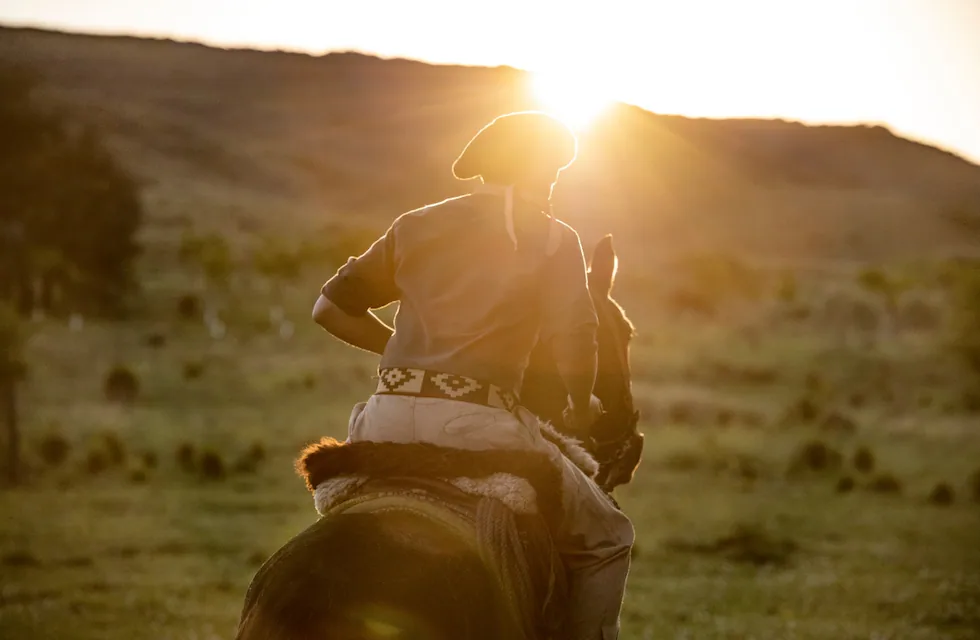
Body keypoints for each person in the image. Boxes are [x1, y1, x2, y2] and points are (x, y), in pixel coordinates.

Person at [312, 111, 634, 640]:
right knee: (609, 537)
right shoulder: (553, 239)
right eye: (551, 173)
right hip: (480, 424)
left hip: (382, 420)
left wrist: (395, 349)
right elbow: (576, 337)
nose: (551, 186)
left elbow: (327, 309)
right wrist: (579, 404)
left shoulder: (414, 224)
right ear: (533, 171)